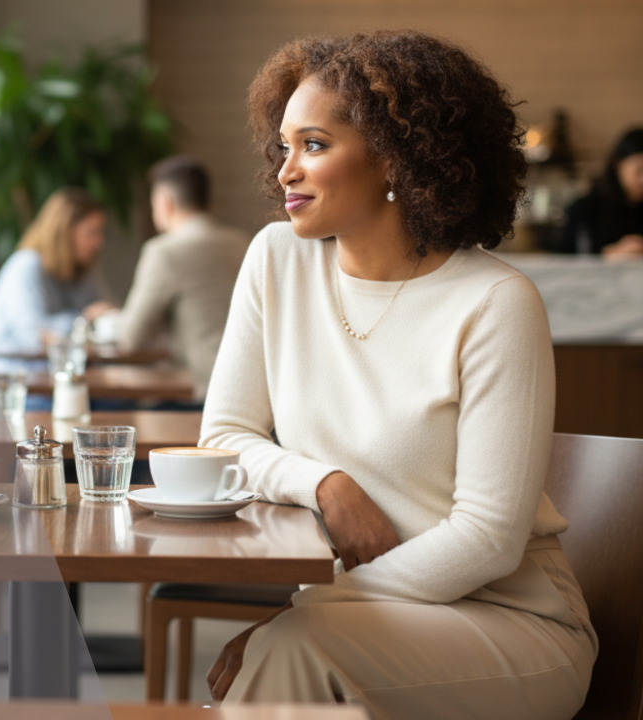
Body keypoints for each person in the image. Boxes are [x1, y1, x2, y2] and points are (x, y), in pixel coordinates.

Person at [200, 31, 597, 720]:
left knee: (293, 651)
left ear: (397, 159)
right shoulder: (276, 261)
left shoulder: (496, 302)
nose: (286, 170)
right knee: (298, 651)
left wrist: (305, 610)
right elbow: (225, 436)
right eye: (284, 146)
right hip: (356, 618)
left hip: (508, 621)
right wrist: (324, 484)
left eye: (314, 145)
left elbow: (487, 541)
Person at [114, 156, 250, 402]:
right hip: (252, 390)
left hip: (202, 395)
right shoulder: (244, 243)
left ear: (165, 203)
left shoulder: (164, 252)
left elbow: (131, 338)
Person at [0, 188, 115, 354]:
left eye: (100, 233)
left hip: (62, 370)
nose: (98, 243)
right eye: (91, 233)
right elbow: (34, 336)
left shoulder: (81, 271)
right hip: (20, 374)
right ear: (63, 232)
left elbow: (104, 315)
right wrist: (85, 318)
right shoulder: (26, 266)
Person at [559, 127, 643, 257]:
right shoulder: (584, 209)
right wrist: (607, 256)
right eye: (640, 170)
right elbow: (564, 262)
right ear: (618, 164)